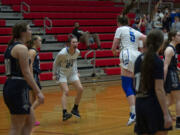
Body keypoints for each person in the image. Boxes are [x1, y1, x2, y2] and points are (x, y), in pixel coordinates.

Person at [3, 22, 44, 135]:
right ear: (23, 32)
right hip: (17, 87)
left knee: (30, 121)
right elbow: (26, 72)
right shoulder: (21, 48)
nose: (31, 32)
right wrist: (38, 92)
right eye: (29, 29)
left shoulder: (12, 46)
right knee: (16, 127)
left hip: (15, 86)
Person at [134, 29, 172, 135]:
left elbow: (134, 84)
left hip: (139, 104)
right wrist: (166, 114)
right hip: (153, 104)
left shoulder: (138, 59)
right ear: (160, 44)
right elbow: (159, 89)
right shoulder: (157, 61)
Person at [112, 14, 146, 126]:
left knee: (126, 85)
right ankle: (139, 111)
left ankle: (133, 113)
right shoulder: (134, 30)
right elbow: (146, 38)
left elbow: (114, 45)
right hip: (137, 55)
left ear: (118, 22)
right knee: (133, 85)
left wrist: (114, 51)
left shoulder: (120, 29)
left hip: (126, 53)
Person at [52, 34, 84, 121]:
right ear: (69, 44)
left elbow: (75, 62)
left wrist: (76, 71)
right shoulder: (62, 53)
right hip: (62, 73)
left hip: (72, 72)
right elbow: (55, 63)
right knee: (66, 91)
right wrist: (54, 74)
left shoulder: (77, 52)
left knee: (80, 89)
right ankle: (64, 113)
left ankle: (75, 109)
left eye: (76, 42)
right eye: (73, 42)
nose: (75, 43)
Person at [163, 30, 180, 129]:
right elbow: (165, 66)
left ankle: (156, 114)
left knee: (170, 101)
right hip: (170, 76)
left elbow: (172, 65)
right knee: (178, 99)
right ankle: (178, 123)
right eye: (178, 35)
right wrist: (163, 80)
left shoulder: (173, 48)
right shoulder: (169, 50)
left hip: (172, 74)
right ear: (173, 37)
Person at [27, 35, 42, 126]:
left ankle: (30, 119)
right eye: (39, 40)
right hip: (33, 77)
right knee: (40, 98)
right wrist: (32, 78)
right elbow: (29, 65)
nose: (41, 42)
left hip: (35, 76)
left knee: (33, 99)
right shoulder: (32, 51)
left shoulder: (34, 51)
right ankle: (27, 115)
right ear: (34, 41)